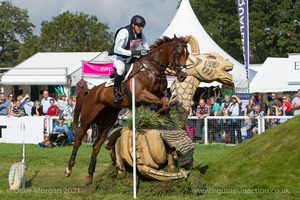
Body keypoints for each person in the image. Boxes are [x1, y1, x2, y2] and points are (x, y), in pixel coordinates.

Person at [109, 15, 149, 103]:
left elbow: (147, 47)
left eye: (142, 26)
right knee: (121, 68)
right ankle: (116, 93)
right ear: (133, 25)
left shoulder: (140, 34)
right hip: (117, 56)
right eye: (139, 26)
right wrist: (133, 53)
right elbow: (117, 49)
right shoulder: (124, 32)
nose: (141, 28)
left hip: (128, 57)